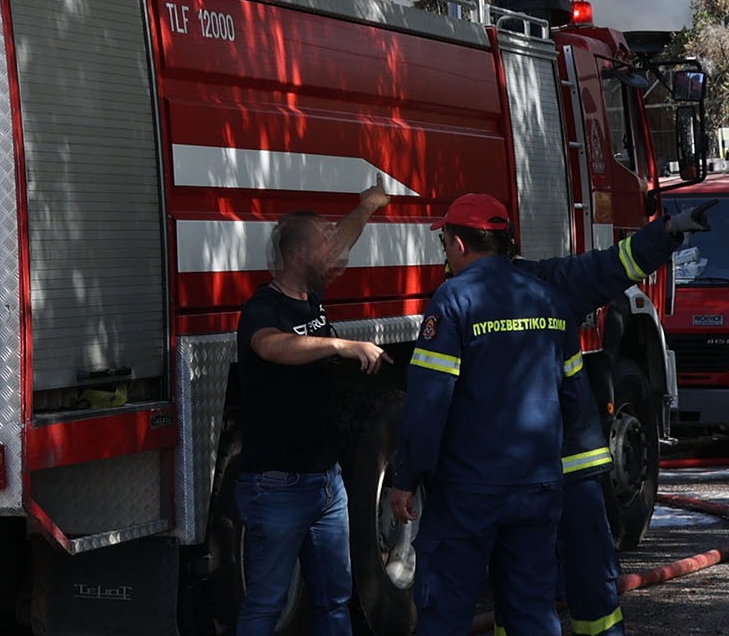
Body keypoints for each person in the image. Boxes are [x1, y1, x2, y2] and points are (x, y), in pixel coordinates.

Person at [504, 198, 714, 636]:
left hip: (516, 476)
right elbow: (611, 266)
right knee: (588, 585)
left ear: (464, 247)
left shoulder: (456, 305)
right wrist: (668, 230)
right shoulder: (550, 282)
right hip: (573, 467)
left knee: (522, 587)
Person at [388, 193, 589, 636]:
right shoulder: (551, 301)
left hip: (468, 490)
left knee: (445, 612)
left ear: (459, 245)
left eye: (444, 243)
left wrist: (406, 477)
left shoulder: (453, 300)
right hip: (536, 486)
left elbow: (427, 405)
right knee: (533, 612)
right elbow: (573, 397)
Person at [234, 182, 393, 636]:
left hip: (327, 485)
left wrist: (366, 205)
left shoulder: (310, 297)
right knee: (266, 604)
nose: (335, 255)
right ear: (300, 254)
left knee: (335, 603)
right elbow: (269, 346)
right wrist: (339, 344)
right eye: (323, 248)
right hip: (277, 487)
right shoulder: (263, 309)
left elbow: (342, 240)